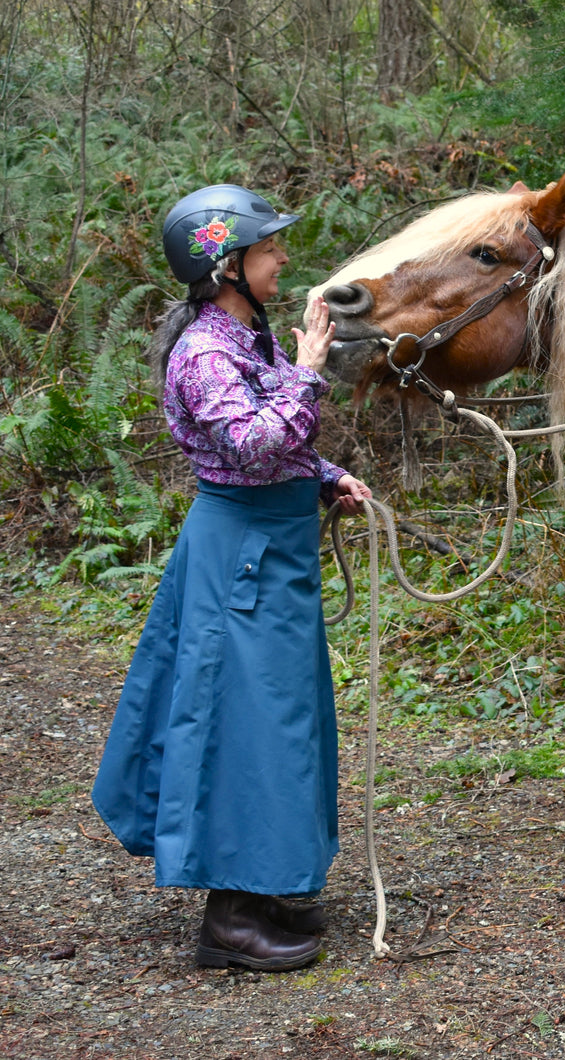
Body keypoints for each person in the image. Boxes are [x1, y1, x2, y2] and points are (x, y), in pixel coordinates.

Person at [92, 184, 372, 972]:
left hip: (272, 544)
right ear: (226, 265)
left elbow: (276, 443)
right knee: (239, 721)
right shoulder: (205, 352)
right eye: (270, 247)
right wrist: (311, 371)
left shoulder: (248, 339)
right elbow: (249, 442)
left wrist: (324, 477)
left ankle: (265, 879)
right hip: (240, 554)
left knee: (283, 714)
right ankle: (228, 918)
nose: (283, 257)